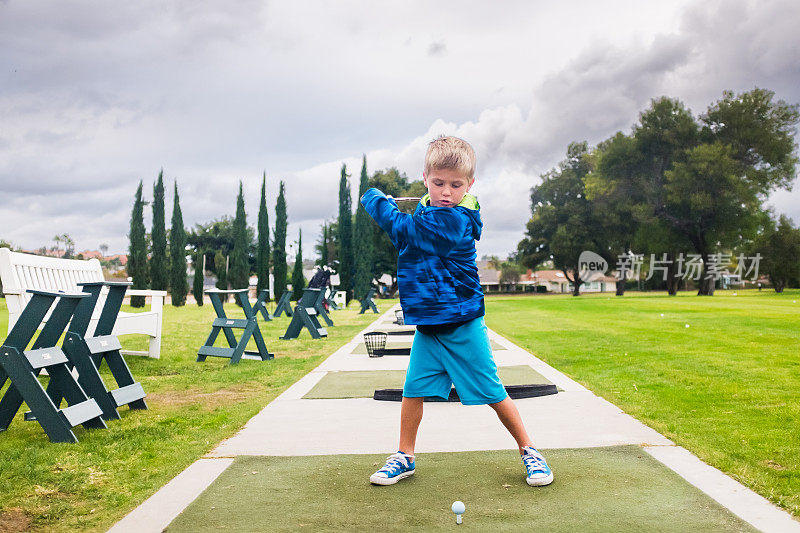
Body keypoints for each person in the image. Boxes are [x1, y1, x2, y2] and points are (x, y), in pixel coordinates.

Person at [360, 135, 553, 487]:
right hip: (430, 326)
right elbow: (411, 234)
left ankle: (530, 451)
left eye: (456, 184)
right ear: (425, 178)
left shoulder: (456, 221)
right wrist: (417, 206)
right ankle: (404, 456)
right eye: (438, 183)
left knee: (494, 393)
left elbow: (403, 229)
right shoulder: (428, 212)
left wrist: (374, 200)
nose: (446, 192)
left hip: (462, 323)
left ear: (470, 185)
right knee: (412, 392)